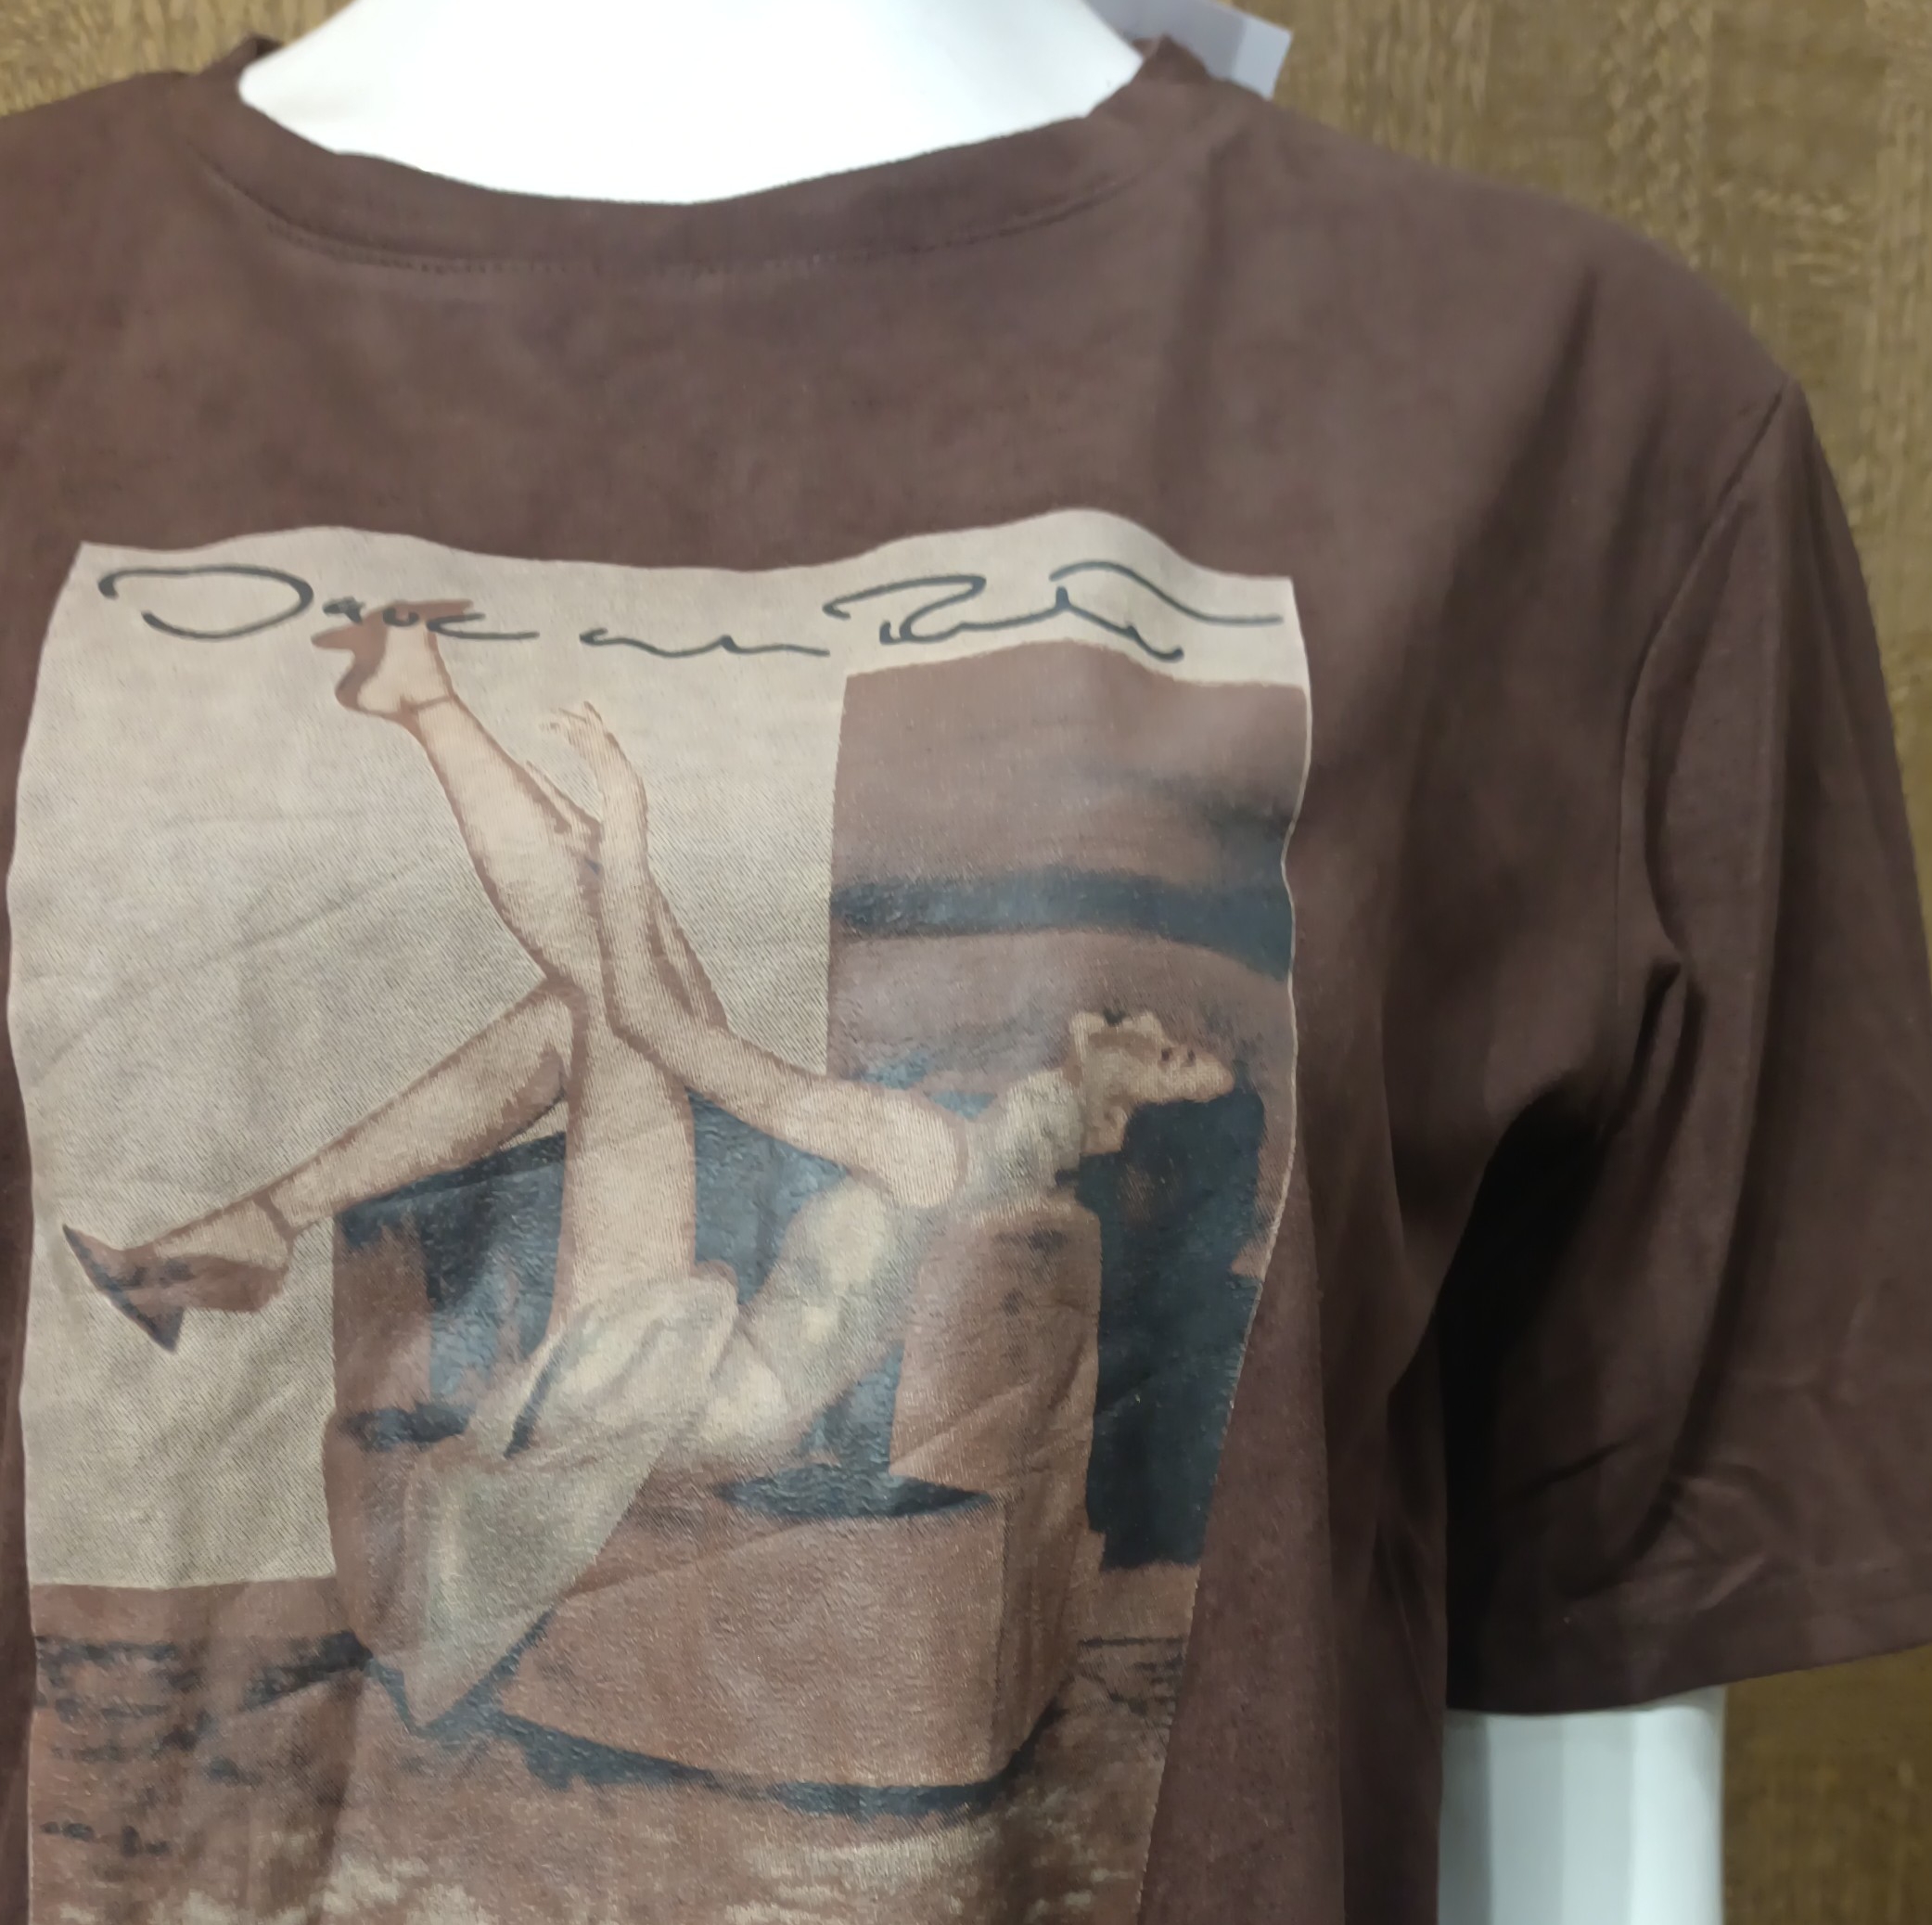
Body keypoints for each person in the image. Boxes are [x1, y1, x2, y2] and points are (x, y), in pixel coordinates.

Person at [65, 610, 1236, 1711]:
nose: (1153, 1026)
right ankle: (421, 710)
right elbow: (692, 1036)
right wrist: (624, 874)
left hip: (695, 1387)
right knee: (577, 997)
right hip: (723, 1365)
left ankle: (423, 704)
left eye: (1174, 1060)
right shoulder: (964, 1149)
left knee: (603, 992)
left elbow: (667, 1032)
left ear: (1127, 1124)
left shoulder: (931, 1150)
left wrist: (628, 829)